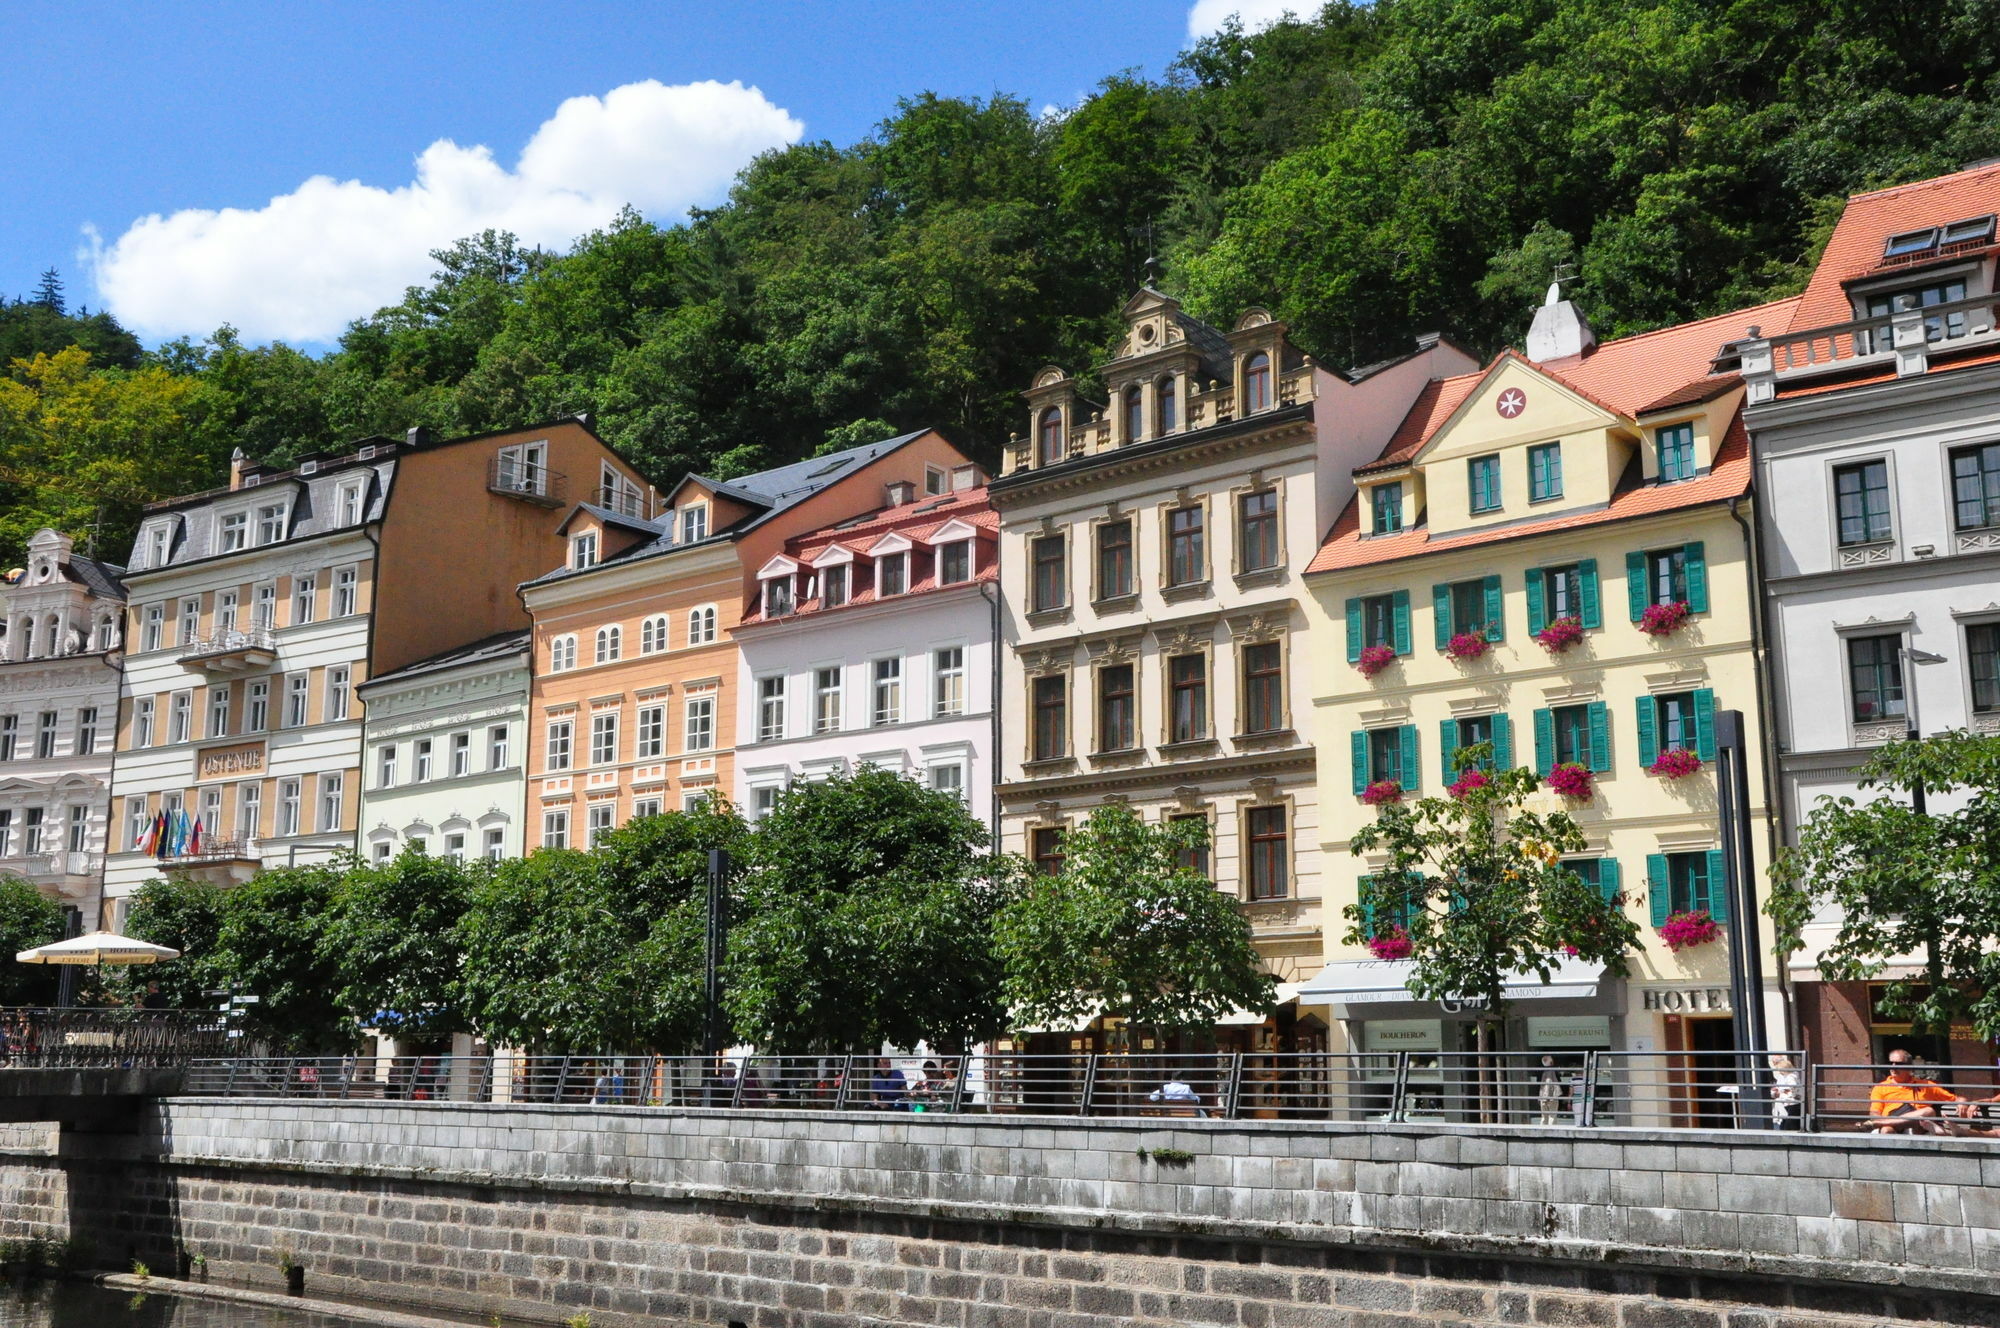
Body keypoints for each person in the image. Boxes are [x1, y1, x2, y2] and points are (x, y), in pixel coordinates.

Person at [1869, 1050, 1977, 1135]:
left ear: (1909, 1067)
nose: (1893, 1067)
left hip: (1918, 1127)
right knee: (1886, 1131)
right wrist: (1878, 1119)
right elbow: (1875, 1112)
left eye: (1898, 1063)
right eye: (1891, 1063)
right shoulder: (1881, 1087)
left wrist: (1962, 1102)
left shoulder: (1926, 1085)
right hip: (1893, 1127)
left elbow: (1956, 1098)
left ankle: (1885, 1123)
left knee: (1928, 1112)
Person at [1767, 1054, 1801, 1130]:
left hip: (1790, 1102)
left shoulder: (1789, 1076)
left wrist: (1782, 1092)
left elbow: (1793, 1087)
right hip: (1789, 1102)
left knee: (1789, 1124)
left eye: (1775, 1063)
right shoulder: (1791, 1075)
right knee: (1787, 1123)